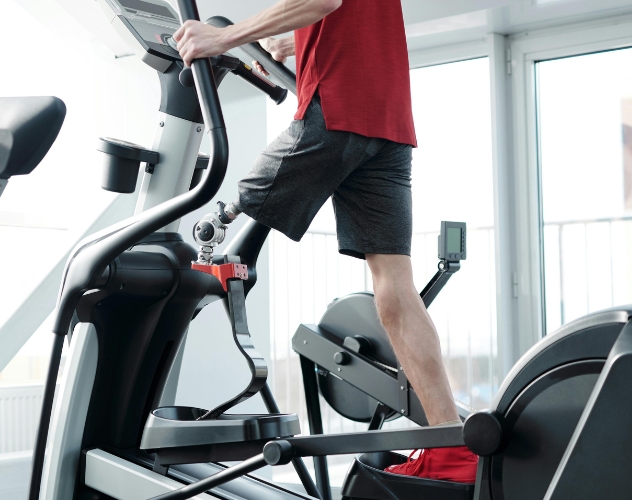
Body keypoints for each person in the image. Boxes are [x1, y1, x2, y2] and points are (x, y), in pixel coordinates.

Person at [174, 0, 478, 483]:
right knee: (396, 288)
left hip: (336, 109)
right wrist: (293, 40)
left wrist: (222, 38)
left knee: (226, 212)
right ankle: (452, 448)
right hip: (389, 124)